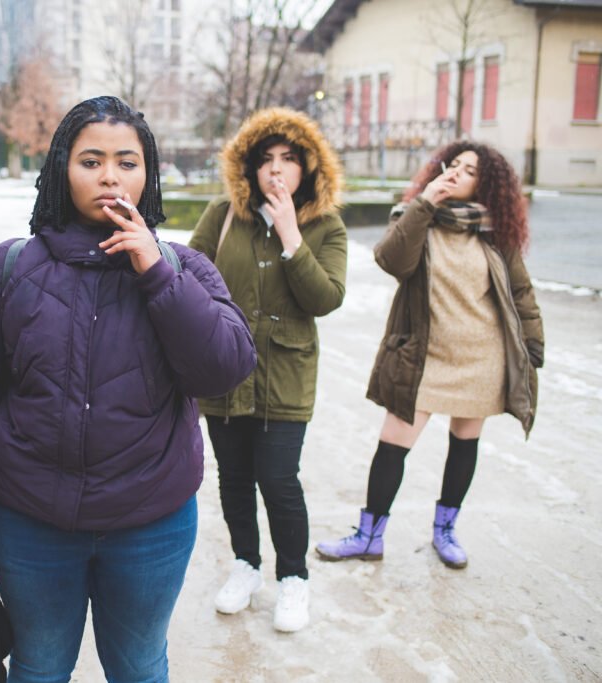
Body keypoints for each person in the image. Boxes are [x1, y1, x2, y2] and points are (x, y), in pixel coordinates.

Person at [0, 96, 256, 682]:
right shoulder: (11, 268)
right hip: (32, 522)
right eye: (91, 161)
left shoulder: (185, 268)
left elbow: (224, 368)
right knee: (40, 666)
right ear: (62, 169)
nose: (110, 175)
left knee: (137, 667)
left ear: (147, 173)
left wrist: (156, 273)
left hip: (151, 523)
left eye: (127, 162)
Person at [316, 141, 544, 569]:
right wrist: (425, 202)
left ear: (487, 184)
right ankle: (369, 536)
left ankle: (445, 530)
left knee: (464, 443)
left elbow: (521, 292)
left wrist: (533, 346)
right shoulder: (417, 218)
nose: (457, 172)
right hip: (424, 358)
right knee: (392, 445)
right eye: (452, 165)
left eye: (470, 170)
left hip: (481, 359)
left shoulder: (496, 233)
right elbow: (391, 260)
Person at [187, 108, 347, 631]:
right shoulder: (223, 214)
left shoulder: (325, 225)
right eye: (266, 160)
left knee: (278, 480)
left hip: (287, 374)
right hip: (227, 370)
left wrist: (290, 236)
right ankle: (245, 565)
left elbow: (324, 298)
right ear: (249, 169)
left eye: (289, 159)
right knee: (233, 478)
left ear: (308, 168)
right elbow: (190, 278)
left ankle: (293, 579)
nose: (276, 171)